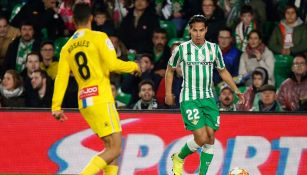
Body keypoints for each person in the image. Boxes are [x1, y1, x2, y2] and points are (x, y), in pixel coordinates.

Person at [51, 3, 141, 175]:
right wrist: (133, 66)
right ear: (91, 18)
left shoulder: (66, 47)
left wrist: (56, 106)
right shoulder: (99, 37)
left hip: (84, 101)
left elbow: (61, 78)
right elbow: (113, 64)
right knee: (116, 148)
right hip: (101, 97)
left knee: (109, 148)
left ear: (73, 20)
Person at [165, 15, 244, 175]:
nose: (198, 34)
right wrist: (168, 93)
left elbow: (222, 71)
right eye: (195, 30)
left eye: (201, 30)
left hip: (209, 97)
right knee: (201, 138)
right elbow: (170, 70)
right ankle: (178, 157)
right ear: (190, 30)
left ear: (206, 30)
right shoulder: (181, 49)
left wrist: (236, 89)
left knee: (210, 137)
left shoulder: (213, 49)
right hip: (189, 98)